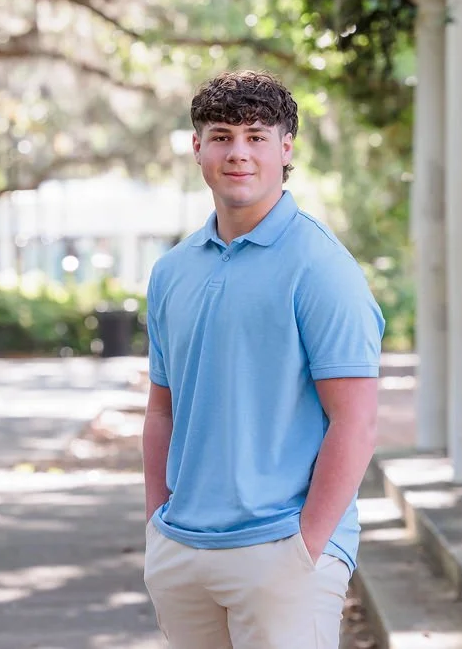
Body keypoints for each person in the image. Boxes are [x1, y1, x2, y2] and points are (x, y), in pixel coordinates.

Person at [142, 70, 385, 648]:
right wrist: (159, 526)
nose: (238, 153)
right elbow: (162, 410)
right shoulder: (173, 270)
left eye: (256, 136)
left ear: (285, 148)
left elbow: (356, 421)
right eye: (222, 136)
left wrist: (306, 547)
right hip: (183, 551)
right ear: (197, 147)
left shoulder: (321, 266)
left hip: (282, 551)